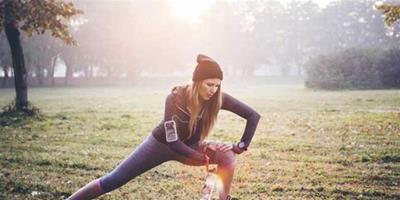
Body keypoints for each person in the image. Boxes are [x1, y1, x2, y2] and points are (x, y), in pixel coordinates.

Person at [67, 54, 261, 200]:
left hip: (190, 147)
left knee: (227, 155)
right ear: (197, 82)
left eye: (217, 85)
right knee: (113, 181)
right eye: (210, 84)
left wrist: (241, 145)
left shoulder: (218, 98)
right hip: (160, 146)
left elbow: (253, 115)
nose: (214, 90)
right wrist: (201, 157)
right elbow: (172, 141)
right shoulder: (175, 98)